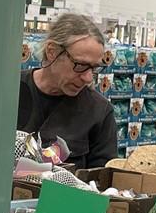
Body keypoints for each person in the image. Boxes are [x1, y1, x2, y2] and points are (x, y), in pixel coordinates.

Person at [17, 13, 118, 169]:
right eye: (81, 65)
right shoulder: (7, 92)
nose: (88, 78)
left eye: (94, 68)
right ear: (52, 52)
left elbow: (102, 183)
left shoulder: (99, 112)